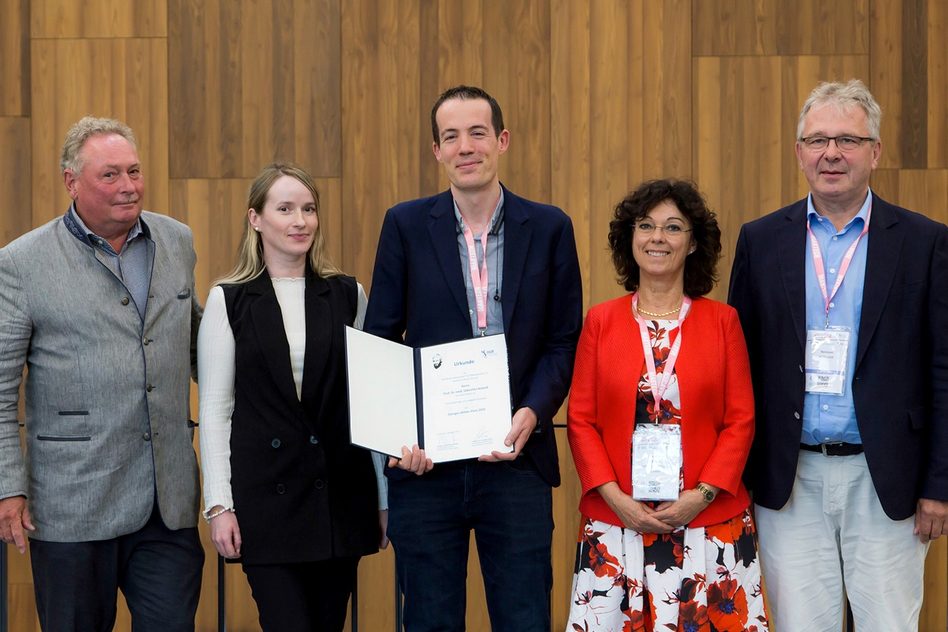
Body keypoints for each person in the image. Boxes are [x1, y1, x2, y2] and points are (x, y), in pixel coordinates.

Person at [728, 79, 948, 630]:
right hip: (790, 479)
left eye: (848, 140)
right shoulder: (760, 241)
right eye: (817, 139)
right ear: (799, 152)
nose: (832, 153)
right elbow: (740, 365)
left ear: (875, 152)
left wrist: (939, 486)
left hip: (887, 479)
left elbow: (943, 371)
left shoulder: (925, 243)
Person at [363, 85, 583, 631]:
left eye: (477, 133)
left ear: (502, 140)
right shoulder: (406, 226)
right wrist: (398, 438)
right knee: (431, 621)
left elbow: (562, 343)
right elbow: (382, 339)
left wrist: (531, 414)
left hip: (517, 461)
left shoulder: (550, 227)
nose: (466, 147)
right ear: (436, 150)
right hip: (427, 469)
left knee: (525, 617)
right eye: (451, 136)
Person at [0, 116, 204, 631]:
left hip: (167, 505)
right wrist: (7, 486)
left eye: (134, 171)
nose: (128, 186)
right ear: (72, 181)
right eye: (110, 175)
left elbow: (200, 347)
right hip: (71, 508)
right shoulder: (21, 264)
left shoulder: (176, 241)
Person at [566, 179, 769, 631]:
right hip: (618, 525)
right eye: (646, 225)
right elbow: (580, 420)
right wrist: (616, 499)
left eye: (673, 227)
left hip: (708, 523)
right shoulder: (600, 321)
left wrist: (700, 497)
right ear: (630, 238)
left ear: (693, 242)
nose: (657, 237)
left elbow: (741, 420)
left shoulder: (723, 322)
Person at [197, 163, 388, 632]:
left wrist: (384, 498)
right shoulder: (230, 299)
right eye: (284, 209)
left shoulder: (347, 294)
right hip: (267, 502)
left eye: (308, 208)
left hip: (339, 500)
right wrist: (219, 505)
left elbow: (372, 402)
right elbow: (216, 410)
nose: (300, 220)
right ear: (256, 219)